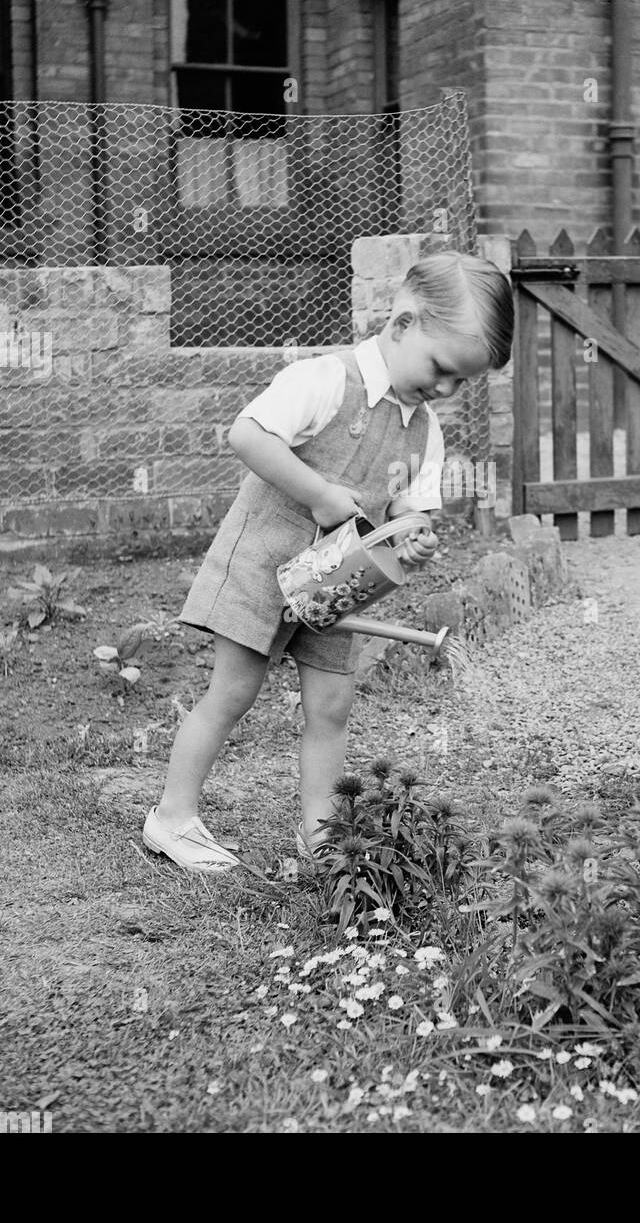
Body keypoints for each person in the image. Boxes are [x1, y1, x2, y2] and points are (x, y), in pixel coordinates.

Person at [142, 252, 514, 872]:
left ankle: (320, 837)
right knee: (232, 693)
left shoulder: (424, 430)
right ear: (402, 324)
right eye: (442, 369)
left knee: (333, 707)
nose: (446, 390)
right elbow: (247, 435)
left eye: (462, 382)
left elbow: (411, 513)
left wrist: (414, 540)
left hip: (338, 589)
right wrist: (319, 494)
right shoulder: (324, 379)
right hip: (264, 566)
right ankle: (171, 818)